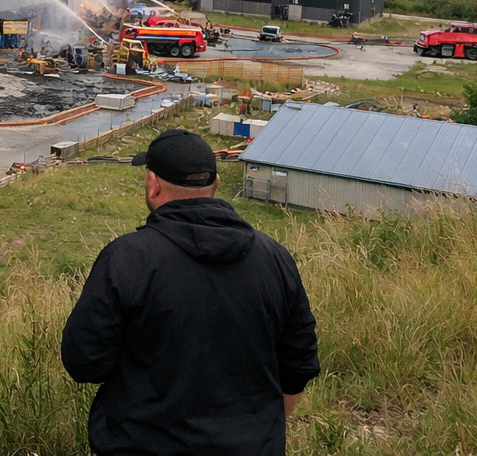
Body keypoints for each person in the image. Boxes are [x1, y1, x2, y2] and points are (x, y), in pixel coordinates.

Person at [61, 128, 318, 456]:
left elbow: (84, 363)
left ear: (153, 185)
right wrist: (255, 430)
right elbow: (299, 364)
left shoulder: (126, 260)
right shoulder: (275, 258)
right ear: (216, 185)